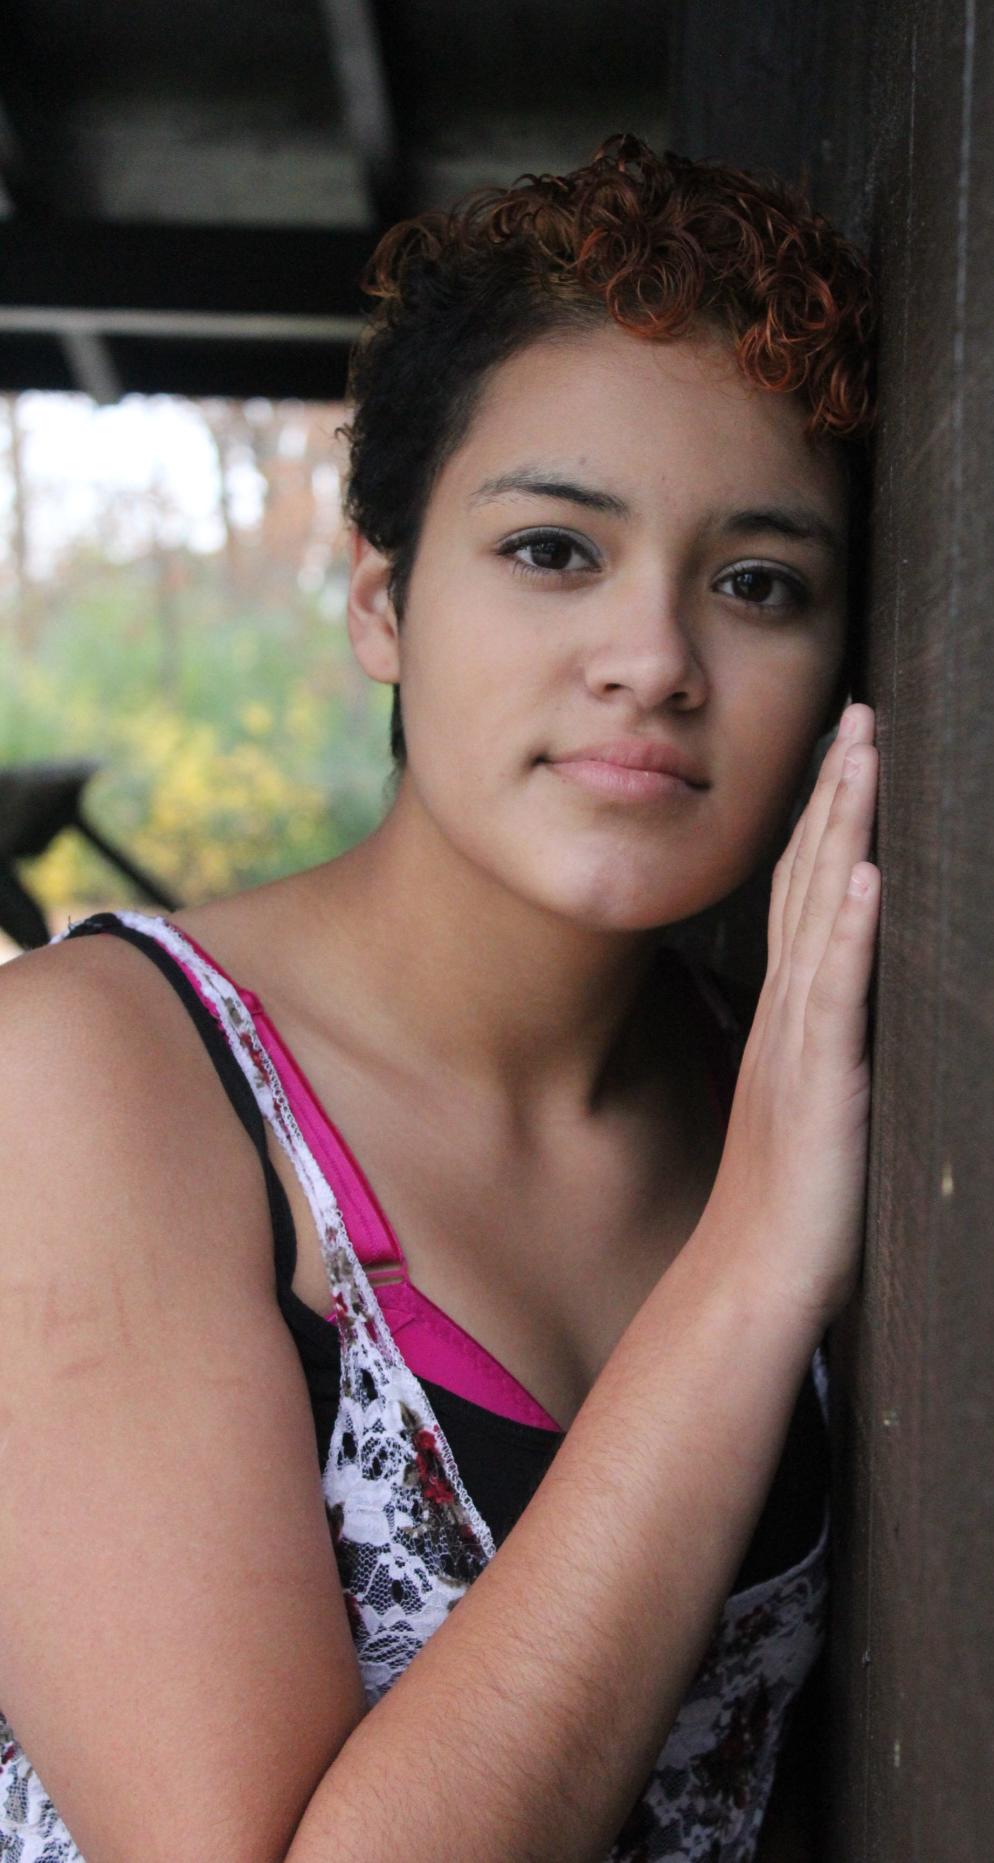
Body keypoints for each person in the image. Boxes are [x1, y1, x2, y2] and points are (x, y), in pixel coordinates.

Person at [0, 132, 880, 1861]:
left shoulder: (766, 1075)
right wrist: (750, 1268)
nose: (653, 658)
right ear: (386, 600)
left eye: (756, 581)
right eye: (554, 550)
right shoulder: (90, 1081)